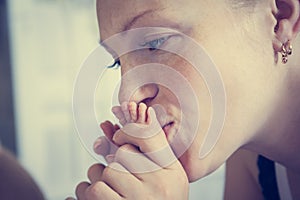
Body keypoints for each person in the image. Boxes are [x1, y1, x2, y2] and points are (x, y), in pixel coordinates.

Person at [69, 0, 300, 199]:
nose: (127, 95)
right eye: (117, 62)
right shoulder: (250, 157)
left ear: (279, 17)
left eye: (155, 43)